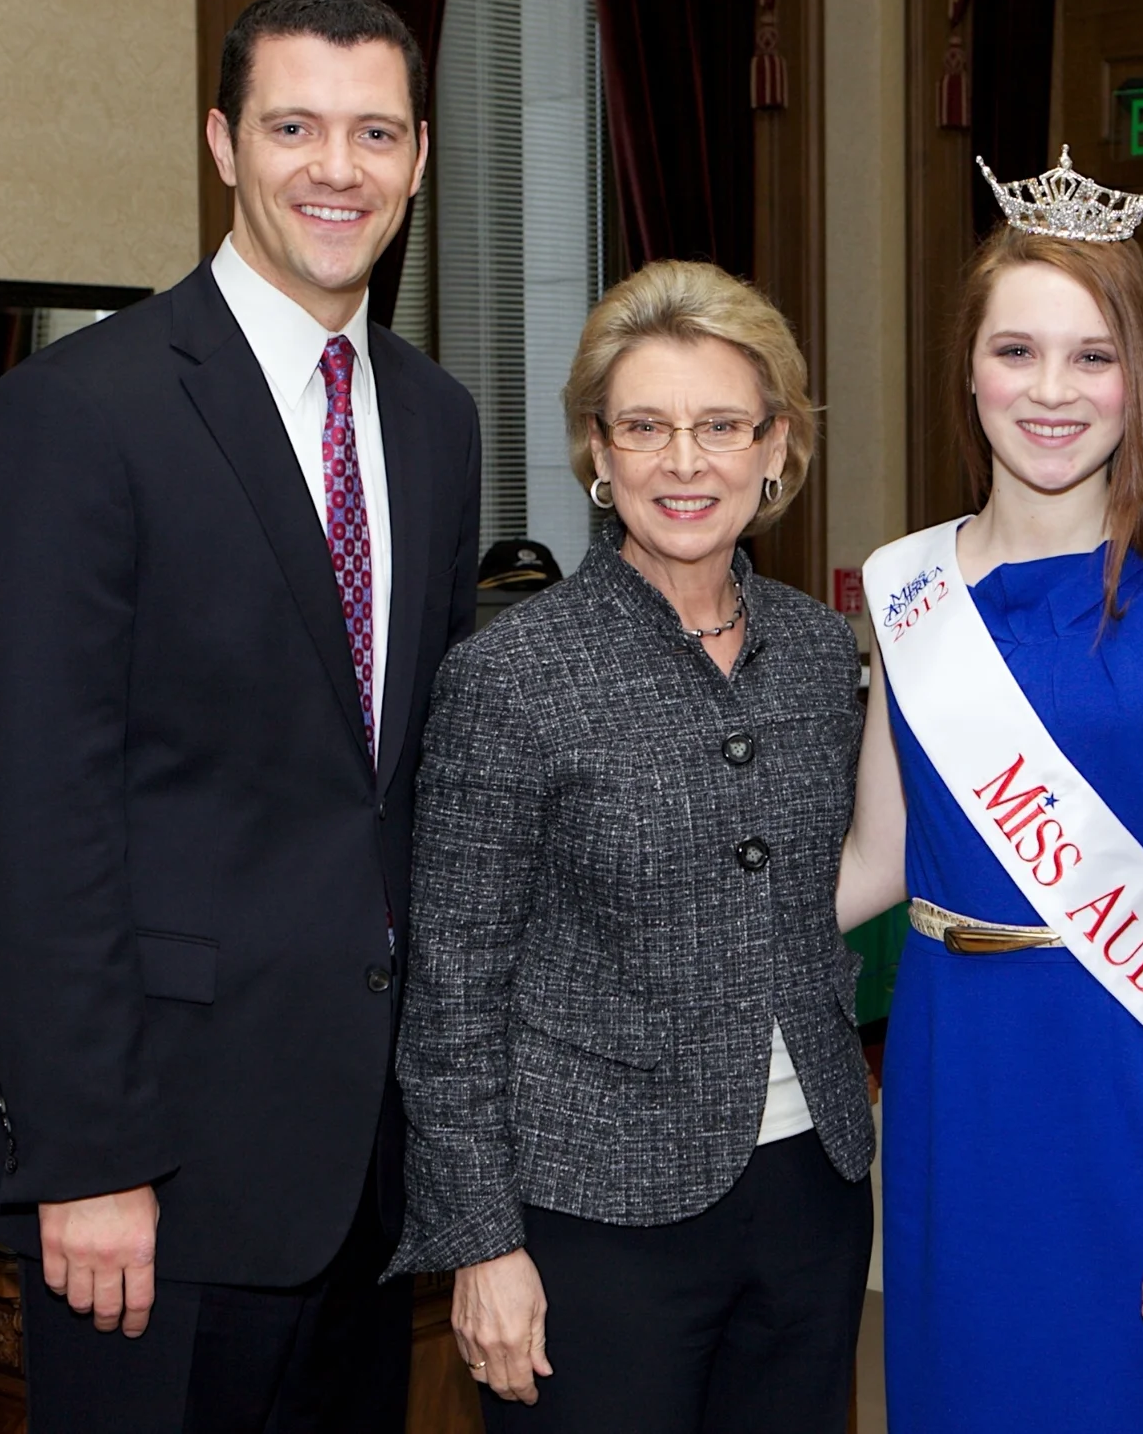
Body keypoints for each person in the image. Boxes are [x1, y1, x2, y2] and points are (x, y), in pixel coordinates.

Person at [0, 0, 480, 1432]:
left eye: (375, 132)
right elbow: (30, 813)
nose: (337, 167)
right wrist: (87, 1155)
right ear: (221, 141)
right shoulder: (82, 410)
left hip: (366, 1175)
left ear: (420, 158)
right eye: (294, 125)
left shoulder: (436, 417)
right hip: (155, 1174)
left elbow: (399, 786)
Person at [389, 259, 876, 1434]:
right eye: (644, 427)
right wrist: (481, 1242)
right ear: (597, 455)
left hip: (809, 1190)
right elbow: (451, 987)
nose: (683, 461)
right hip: (587, 1215)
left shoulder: (821, 656)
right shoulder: (511, 674)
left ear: (776, 448)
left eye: (720, 426)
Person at [838, 148, 1143, 1431]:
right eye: (1015, 351)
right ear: (967, 370)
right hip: (954, 1079)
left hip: (1136, 1083)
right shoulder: (903, 587)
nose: (1051, 390)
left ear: (1138, 379)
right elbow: (870, 859)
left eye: (1092, 355)